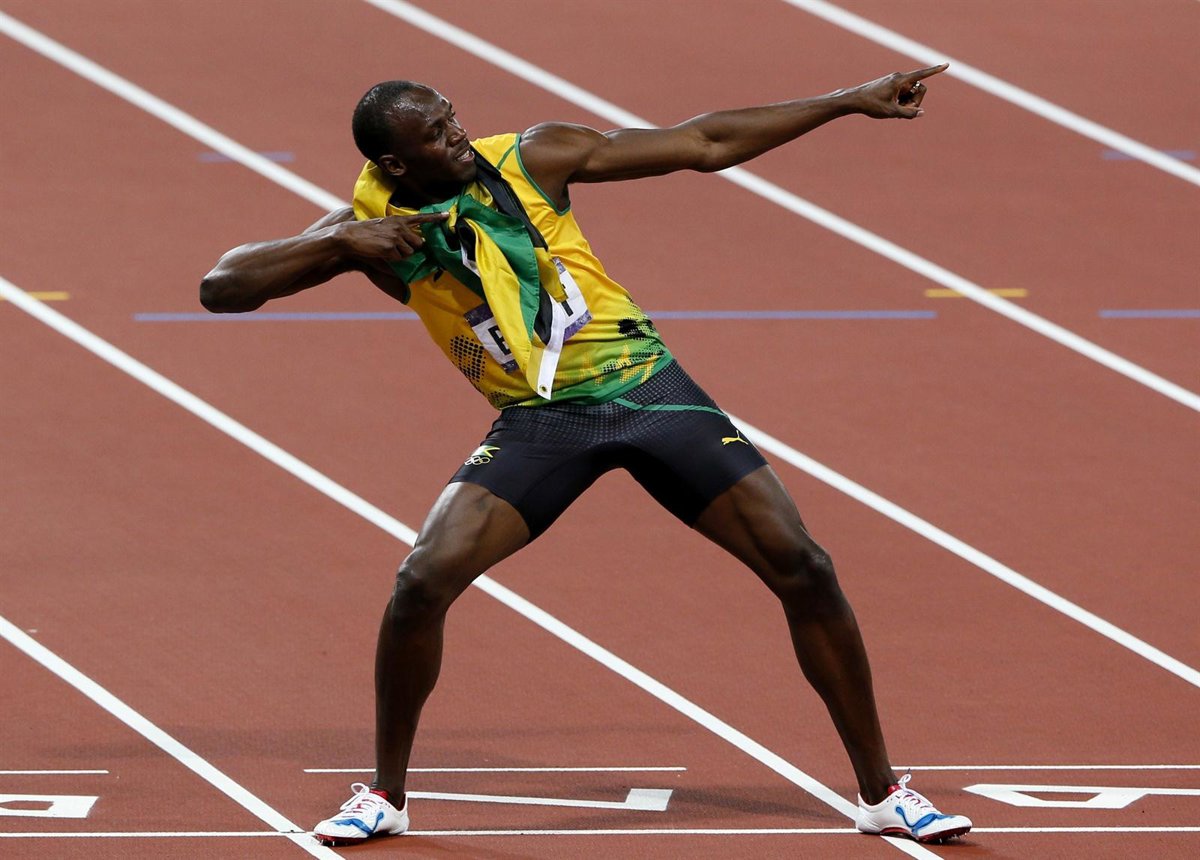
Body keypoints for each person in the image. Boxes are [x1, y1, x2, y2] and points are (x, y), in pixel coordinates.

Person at [200, 63, 972, 847]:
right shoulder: (372, 233)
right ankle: (384, 797)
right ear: (394, 163)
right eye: (436, 133)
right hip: (541, 420)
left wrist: (846, 101)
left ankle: (883, 793)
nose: (459, 134)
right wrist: (339, 240)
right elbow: (221, 287)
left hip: (651, 392)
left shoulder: (533, 158)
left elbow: (704, 142)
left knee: (804, 565)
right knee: (421, 581)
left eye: (452, 116)